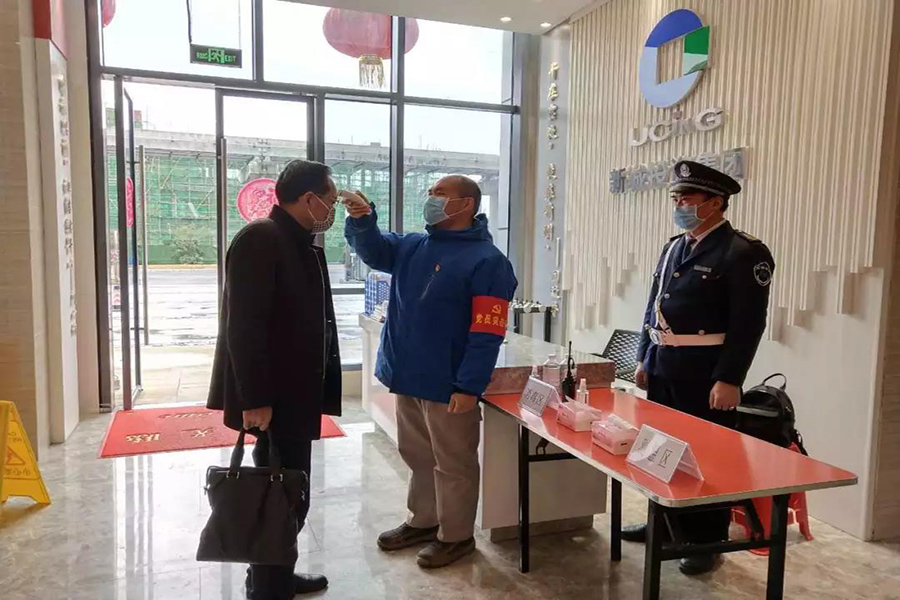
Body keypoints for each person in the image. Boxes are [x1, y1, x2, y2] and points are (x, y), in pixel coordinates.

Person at [343, 176, 518, 569]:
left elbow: (487, 332)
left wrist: (469, 386)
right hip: (408, 375)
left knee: (454, 464)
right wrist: (362, 218)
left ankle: (456, 536)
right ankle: (424, 521)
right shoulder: (413, 246)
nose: (431, 199)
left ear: (466, 204)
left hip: (448, 384)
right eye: (430, 193)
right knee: (418, 456)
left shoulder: (488, 262)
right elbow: (373, 250)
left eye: (440, 194)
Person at [628, 160, 775, 575]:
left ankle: (707, 540)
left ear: (716, 203)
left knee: (706, 458)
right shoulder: (674, 246)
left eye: (687, 198)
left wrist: (730, 378)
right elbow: (653, 306)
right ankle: (665, 524)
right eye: (676, 198)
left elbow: (749, 323)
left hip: (705, 372)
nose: (679, 205)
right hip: (663, 365)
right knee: (660, 449)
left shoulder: (743, 252)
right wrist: (643, 356)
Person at [207, 160, 342, 599]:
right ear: (308, 198)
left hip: (295, 394)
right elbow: (244, 327)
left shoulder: (298, 241)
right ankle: (268, 587)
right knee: (275, 492)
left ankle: (274, 574)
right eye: (331, 200)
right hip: (274, 399)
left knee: (288, 488)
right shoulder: (261, 239)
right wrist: (255, 398)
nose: (332, 209)